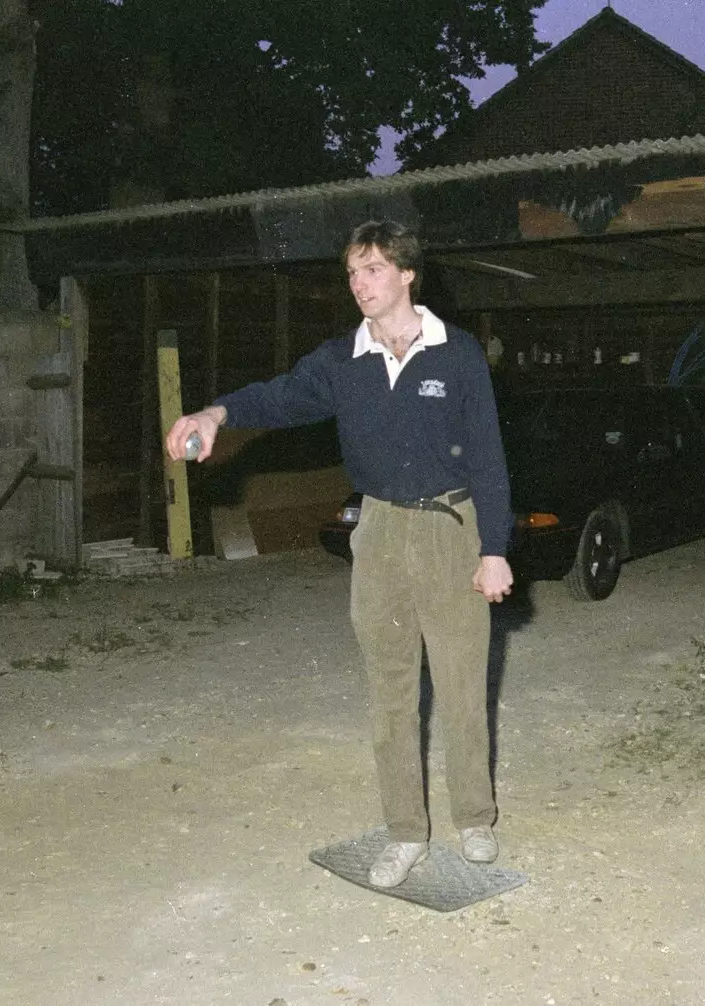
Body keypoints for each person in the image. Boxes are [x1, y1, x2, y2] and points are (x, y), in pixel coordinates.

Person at [165, 220, 514, 889]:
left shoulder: (459, 353)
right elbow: (277, 396)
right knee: (390, 692)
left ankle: (474, 818)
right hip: (379, 528)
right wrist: (215, 415)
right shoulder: (340, 360)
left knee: (464, 684)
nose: (360, 284)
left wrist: (493, 548)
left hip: (451, 524)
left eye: (374, 269)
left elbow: (491, 459)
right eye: (353, 272)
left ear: (408, 273)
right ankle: (405, 832)